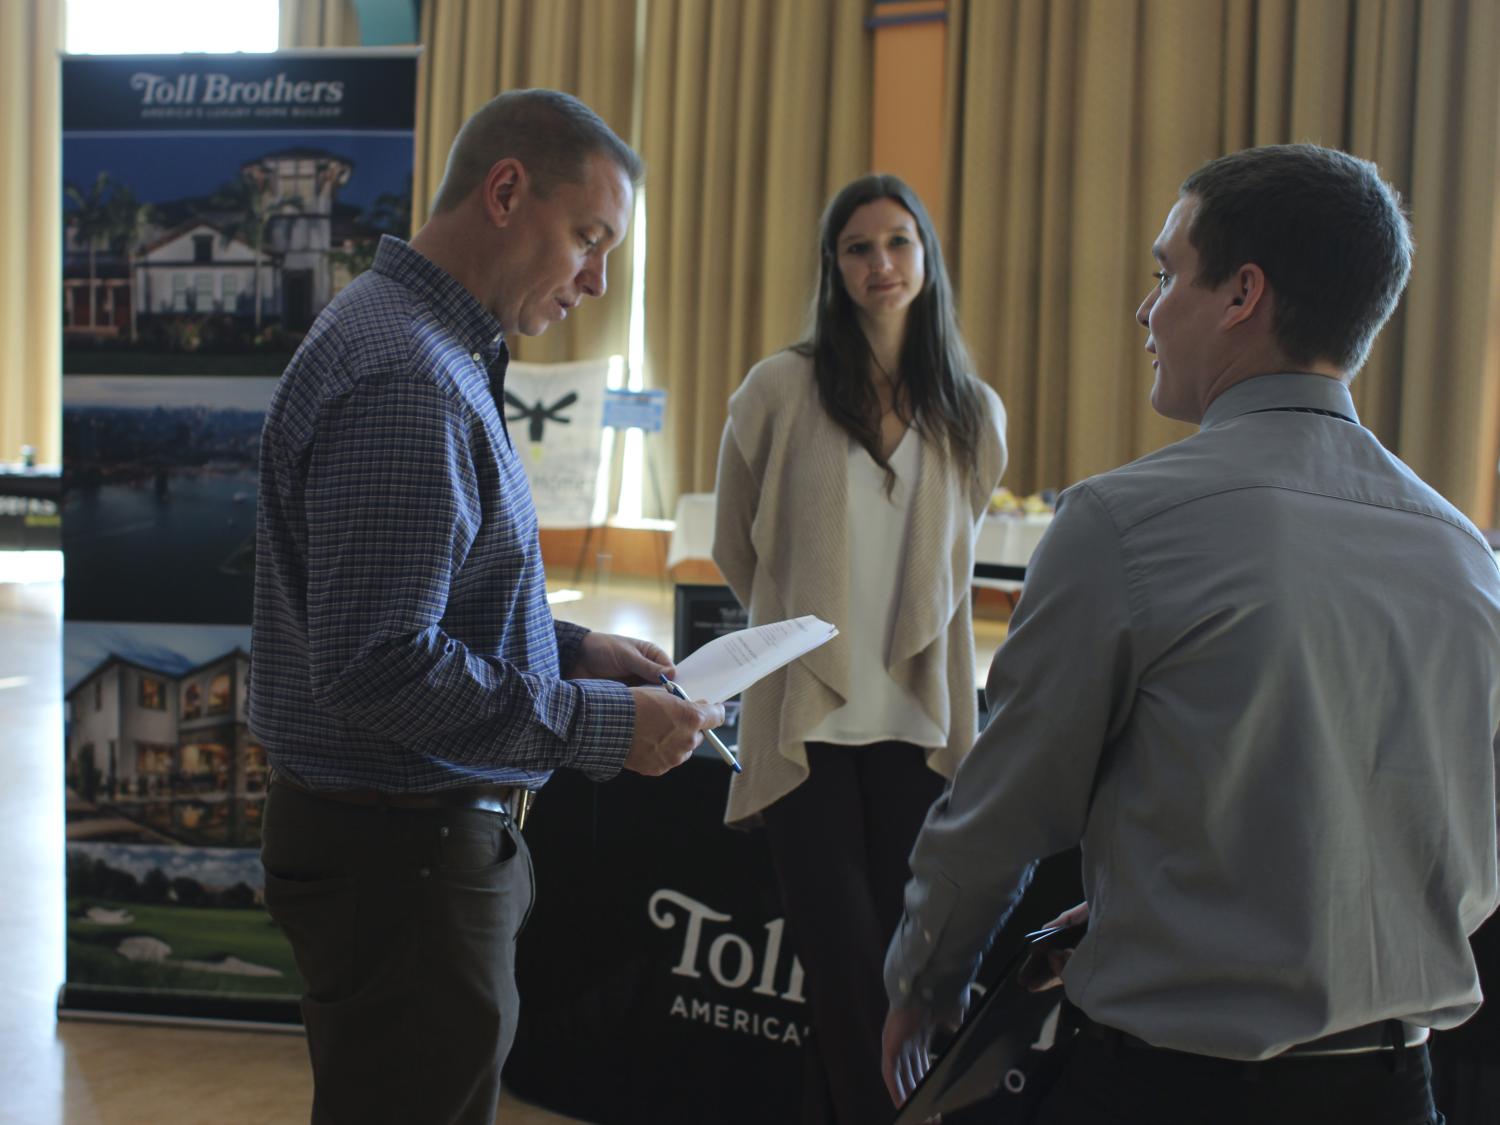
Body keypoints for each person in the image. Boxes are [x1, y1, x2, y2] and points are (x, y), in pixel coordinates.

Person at [881, 143, 1500, 1125]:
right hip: (1394, 1089)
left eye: (1168, 273)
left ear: (1241, 294)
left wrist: (926, 980)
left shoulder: (1123, 525)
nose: (1146, 308)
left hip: (1169, 1086)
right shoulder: (1469, 557)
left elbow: (1003, 811)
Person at [249, 89, 723, 1125]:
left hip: (406, 850)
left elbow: (425, 608)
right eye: (589, 239)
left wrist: (575, 649)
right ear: (507, 191)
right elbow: (381, 662)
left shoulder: (428, 346)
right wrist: (602, 727)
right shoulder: (407, 375)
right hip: (403, 858)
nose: (597, 280)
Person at [712, 173, 1007, 1124]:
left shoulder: (975, 411)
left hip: (918, 727)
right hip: (808, 721)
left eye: (898, 243)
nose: (880, 263)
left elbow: (956, 566)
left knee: (882, 977)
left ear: (926, 258)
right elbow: (734, 544)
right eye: (857, 247)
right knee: (847, 973)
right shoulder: (778, 388)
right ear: (832, 268)